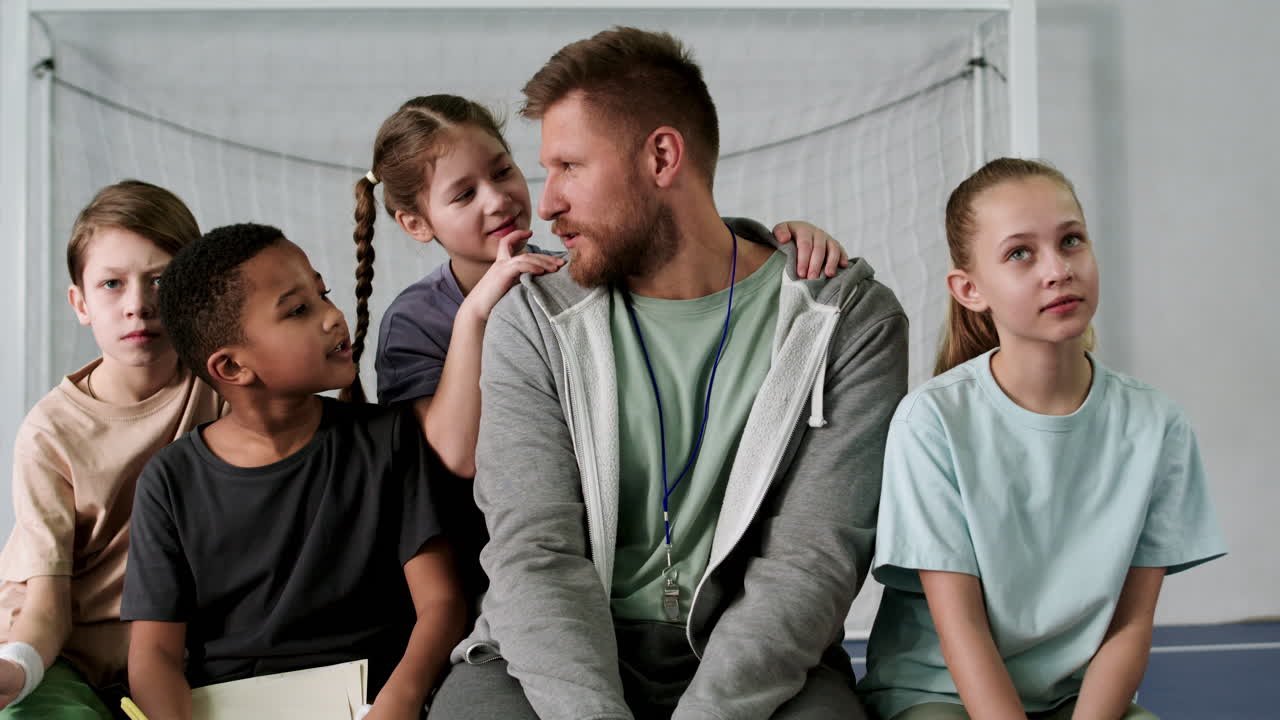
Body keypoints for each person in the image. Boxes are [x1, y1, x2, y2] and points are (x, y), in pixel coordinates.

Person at [427, 27, 909, 720]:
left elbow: (811, 561)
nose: (548, 201)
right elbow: (537, 554)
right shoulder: (531, 319)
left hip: (753, 656)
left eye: (569, 167)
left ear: (661, 156)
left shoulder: (848, 320)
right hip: (545, 657)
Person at [857, 158, 1226, 720]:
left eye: (1071, 240)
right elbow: (962, 631)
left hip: (1074, 699)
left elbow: (1129, 625)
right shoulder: (930, 422)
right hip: (942, 693)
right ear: (970, 289)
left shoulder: (1157, 425)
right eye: (1020, 253)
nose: (1058, 269)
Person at [349, 94, 851, 479]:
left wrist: (775, 239)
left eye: (502, 171)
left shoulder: (573, 271)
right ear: (416, 224)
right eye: (464, 194)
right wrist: (478, 312)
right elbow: (458, 457)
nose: (498, 199)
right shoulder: (414, 320)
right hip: (480, 563)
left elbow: (678, 256)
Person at [121, 223, 464, 720]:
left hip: (373, 699)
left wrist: (400, 701)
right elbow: (154, 655)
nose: (333, 317)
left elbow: (442, 604)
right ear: (233, 368)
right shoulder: (169, 482)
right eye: (299, 310)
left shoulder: (389, 439)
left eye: (322, 294)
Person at [0, 180, 223, 719]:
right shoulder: (49, 432)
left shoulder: (224, 389)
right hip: (60, 654)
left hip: (177, 657)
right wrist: (14, 671)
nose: (137, 305)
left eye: (160, 280)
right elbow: (45, 608)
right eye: (111, 285)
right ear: (80, 303)